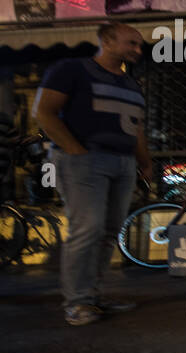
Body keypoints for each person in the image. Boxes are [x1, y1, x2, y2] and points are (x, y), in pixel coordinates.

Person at [31, 22, 153, 325]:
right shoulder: (72, 70)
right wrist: (75, 150)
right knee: (88, 229)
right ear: (107, 41)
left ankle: (93, 296)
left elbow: (135, 127)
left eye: (140, 45)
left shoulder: (130, 83)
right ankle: (77, 303)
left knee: (109, 230)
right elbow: (43, 112)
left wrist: (144, 162)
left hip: (122, 163)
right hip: (85, 160)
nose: (138, 50)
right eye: (131, 43)